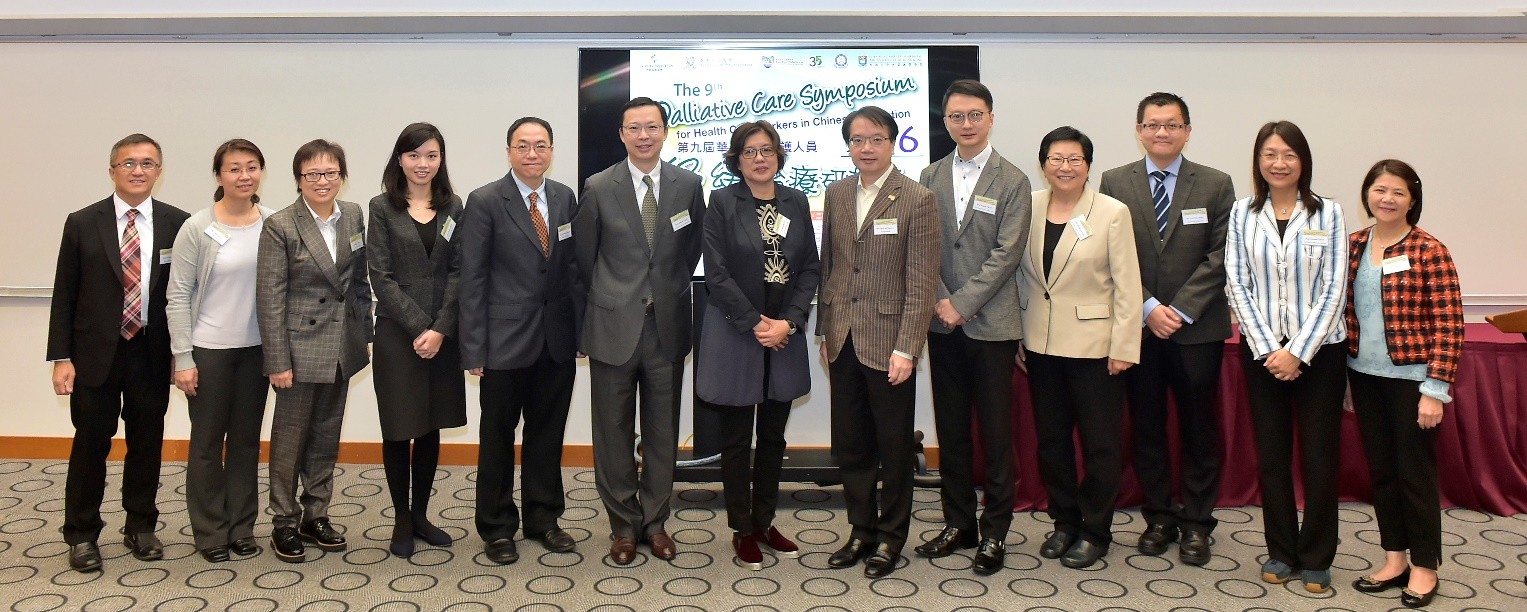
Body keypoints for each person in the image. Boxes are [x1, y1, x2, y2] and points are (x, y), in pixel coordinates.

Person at [1098, 92, 1235, 566]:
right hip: (1138, 327)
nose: (1162, 132)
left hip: (1197, 330)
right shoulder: (1114, 182)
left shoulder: (1216, 184)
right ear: (1138, 130)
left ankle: (1198, 522)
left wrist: (1179, 309)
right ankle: (1158, 518)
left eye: (1172, 125)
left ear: (1187, 131)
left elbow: (1220, 256)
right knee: (1147, 426)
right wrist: (1149, 307)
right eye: (1153, 125)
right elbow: (1110, 255)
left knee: (1200, 428)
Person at [47, 134, 190, 572]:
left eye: (148, 163)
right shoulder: (82, 222)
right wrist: (61, 357)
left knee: (146, 442)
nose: (138, 170)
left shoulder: (177, 223)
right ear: (112, 171)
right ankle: (82, 534)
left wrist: (183, 353)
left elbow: (183, 292)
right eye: (128, 163)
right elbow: (64, 293)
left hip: (150, 350)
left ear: (159, 171)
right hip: (94, 354)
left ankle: (141, 526)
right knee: (91, 443)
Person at [574, 97, 705, 565]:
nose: (644, 135)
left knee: (662, 432)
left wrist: (664, 290)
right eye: (635, 128)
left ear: (665, 131)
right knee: (611, 433)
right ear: (622, 135)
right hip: (613, 326)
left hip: (666, 327)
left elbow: (689, 253)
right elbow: (584, 260)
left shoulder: (688, 184)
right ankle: (623, 526)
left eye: (652, 127)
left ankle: (656, 522)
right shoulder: (597, 186)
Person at [913, 79, 1031, 576]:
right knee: (954, 431)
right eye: (957, 116)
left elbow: (1007, 254)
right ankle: (958, 523)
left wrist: (961, 303)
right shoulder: (930, 173)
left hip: (992, 325)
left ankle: (995, 531)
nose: (966, 123)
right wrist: (943, 302)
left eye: (974, 114)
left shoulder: (1014, 179)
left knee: (996, 434)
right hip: (943, 325)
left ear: (990, 117)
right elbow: (926, 244)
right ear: (946, 122)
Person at [818, 106, 941, 579]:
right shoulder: (836, 192)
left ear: (893, 142)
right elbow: (831, 267)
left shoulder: (917, 198)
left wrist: (908, 347)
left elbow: (922, 282)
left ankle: (891, 537)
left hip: (890, 344)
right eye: (857, 140)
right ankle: (861, 531)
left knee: (892, 447)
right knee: (851, 445)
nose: (865, 148)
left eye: (875, 139)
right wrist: (825, 332)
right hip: (843, 337)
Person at [1224, 120, 1347, 593]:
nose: (1279, 163)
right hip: (1260, 354)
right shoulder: (1241, 212)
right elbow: (1237, 282)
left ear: (1304, 161)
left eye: (1289, 155)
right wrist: (1269, 349)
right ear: (1258, 160)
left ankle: (1317, 555)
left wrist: (1296, 351)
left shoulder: (1328, 213)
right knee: (1271, 457)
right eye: (1270, 154)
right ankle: (1280, 550)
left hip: (1320, 354)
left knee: (1319, 457)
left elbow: (1334, 288)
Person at [695, 120, 821, 570]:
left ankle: (766, 521)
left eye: (767, 150)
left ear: (779, 156)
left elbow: (809, 267)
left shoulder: (796, 199)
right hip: (737, 330)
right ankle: (742, 528)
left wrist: (788, 322)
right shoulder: (722, 202)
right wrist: (755, 323)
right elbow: (717, 273)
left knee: (772, 435)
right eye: (749, 151)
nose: (760, 158)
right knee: (735, 439)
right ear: (736, 158)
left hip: (783, 332)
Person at [1017, 126, 1141, 570]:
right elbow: (1018, 275)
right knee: (1051, 442)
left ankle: (1095, 530)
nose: (1064, 167)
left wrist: (1124, 344)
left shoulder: (1111, 212)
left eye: (1074, 159)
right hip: (1040, 344)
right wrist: (1017, 333)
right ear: (1043, 163)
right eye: (1056, 158)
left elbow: (1128, 285)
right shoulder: (1027, 205)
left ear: (1088, 165)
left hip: (1095, 347)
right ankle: (1064, 522)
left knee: (1101, 445)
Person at [461, 117, 583, 565]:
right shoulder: (486, 200)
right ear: (509, 151)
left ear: (551, 151)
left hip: (556, 341)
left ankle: (544, 519)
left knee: (547, 434)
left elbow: (572, 272)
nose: (533, 154)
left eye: (541, 146)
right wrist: (473, 348)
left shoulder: (564, 198)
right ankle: (496, 528)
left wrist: (580, 332)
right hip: (503, 342)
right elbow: (472, 278)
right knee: (496, 437)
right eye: (523, 146)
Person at [1345, 160, 1463, 609]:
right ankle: (1394, 558)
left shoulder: (1429, 248)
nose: (1387, 198)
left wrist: (1435, 389)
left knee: (1414, 474)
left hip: (1411, 381)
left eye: (1397, 191)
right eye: (1379, 189)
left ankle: (1425, 566)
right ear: (1367, 195)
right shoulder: (1355, 244)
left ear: (1412, 198)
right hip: (1364, 375)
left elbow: (1450, 324)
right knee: (1382, 473)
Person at [257, 139, 373, 564]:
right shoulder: (281, 225)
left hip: (343, 345)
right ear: (298, 180)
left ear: (342, 175)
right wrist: (277, 360)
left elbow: (359, 280)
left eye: (331, 173)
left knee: (326, 437)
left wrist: (367, 333)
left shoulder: (354, 215)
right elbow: (269, 296)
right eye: (313, 175)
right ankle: (284, 521)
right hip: (298, 349)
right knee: (290, 441)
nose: (323, 181)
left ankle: (316, 514)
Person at [166, 139, 274, 563]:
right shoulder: (197, 227)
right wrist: (183, 358)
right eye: (233, 168)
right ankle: (210, 531)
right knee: (208, 443)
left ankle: (242, 527)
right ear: (219, 176)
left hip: (257, 351)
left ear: (261, 172)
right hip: (208, 350)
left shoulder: (273, 222)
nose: (243, 175)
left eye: (251, 167)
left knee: (246, 441)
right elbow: (177, 296)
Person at [367, 123, 467, 557]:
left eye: (431, 155)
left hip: (443, 334)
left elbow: (461, 271)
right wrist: (419, 328)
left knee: (430, 425)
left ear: (441, 159)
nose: (422, 164)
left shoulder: (454, 206)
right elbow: (380, 276)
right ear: (400, 159)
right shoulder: (381, 207)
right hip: (397, 334)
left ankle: (422, 515)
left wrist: (441, 327)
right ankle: (401, 519)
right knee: (398, 427)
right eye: (414, 155)